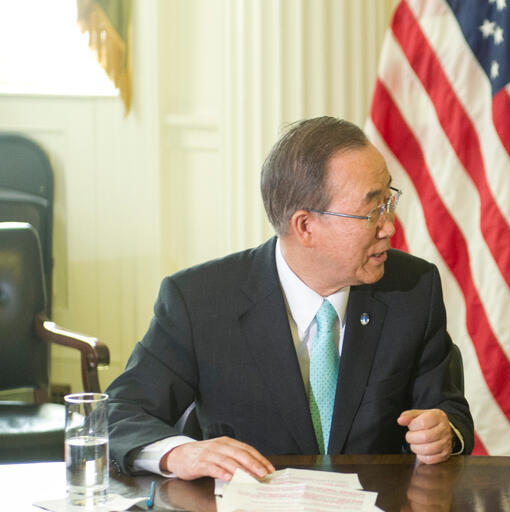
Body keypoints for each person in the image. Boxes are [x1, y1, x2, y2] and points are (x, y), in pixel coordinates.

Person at [107, 116, 472, 480]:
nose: (389, 226)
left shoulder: (413, 288)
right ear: (305, 226)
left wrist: (444, 432)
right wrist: (179, 453)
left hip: (377, 510)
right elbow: (119, 413)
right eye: (371, 211)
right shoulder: (199, 301)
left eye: (388, 201)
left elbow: (448, 409)